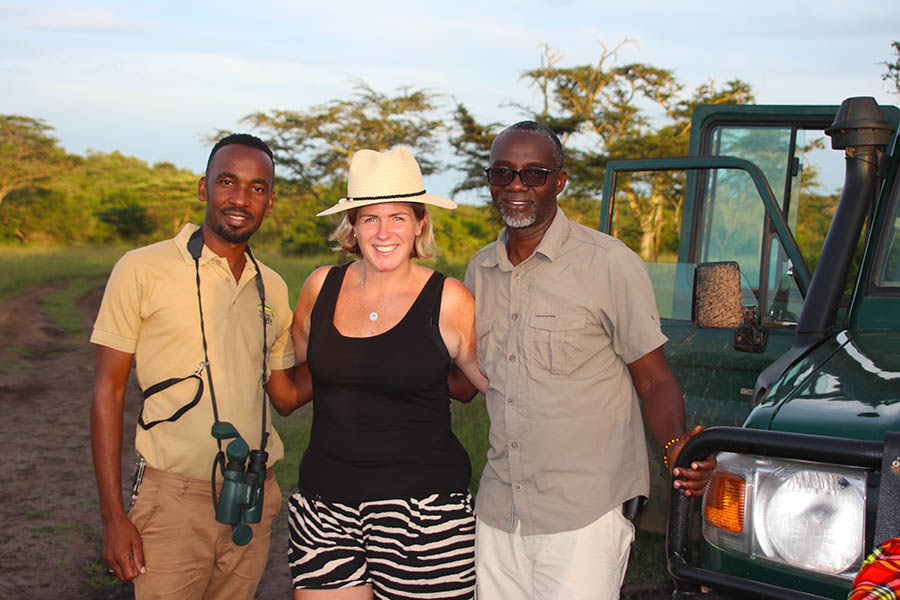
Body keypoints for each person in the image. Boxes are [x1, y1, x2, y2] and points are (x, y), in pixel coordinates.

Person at [464, 121, 716, 599]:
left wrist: (676, 448)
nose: (516, 186)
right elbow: (467, 376)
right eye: (502, 173)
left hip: (585, 510)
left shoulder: (608, 262)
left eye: (533, 173)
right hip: (500, 506)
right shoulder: (480, 270)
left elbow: (653, 380)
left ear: (559, 181)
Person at [90, 133, 308, 599]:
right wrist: (113, 516)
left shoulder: (271, 285)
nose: (240, 198)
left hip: (253, 492)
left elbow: (285, 397)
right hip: (172, 500)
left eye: (257, 187)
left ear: (269, 202)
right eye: (227, 181)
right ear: (202, 187)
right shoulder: (141, 269)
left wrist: (357, 353)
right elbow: (107, 392)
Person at [287, 145, 487, 600]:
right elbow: (297, 368)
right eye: (369, 218)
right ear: (352, 227)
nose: (383, 232)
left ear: (420, 224)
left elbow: (494, 386)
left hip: (425, 512)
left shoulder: (450, 299)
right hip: (325, 506)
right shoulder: (320, 287)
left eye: (397, 217)